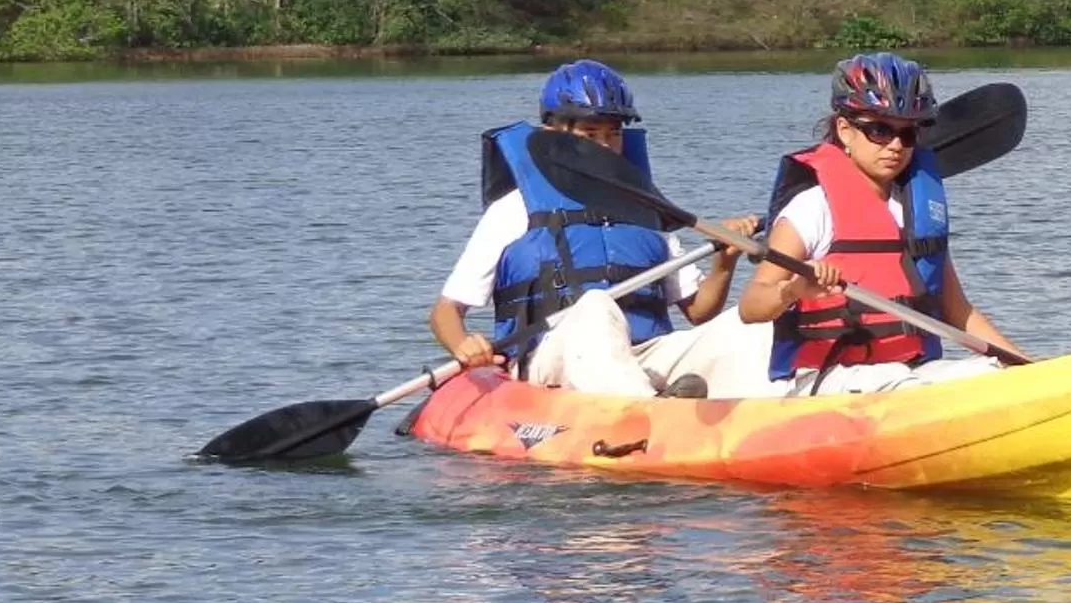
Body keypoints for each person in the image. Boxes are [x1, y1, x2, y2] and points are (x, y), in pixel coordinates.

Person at [430, 59, 760, 397]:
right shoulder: (514, 208)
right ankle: (647, 409)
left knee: (744, 327)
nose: (604, 146)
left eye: (613, 134)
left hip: (643, 356)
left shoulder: (646, 208)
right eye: (590, 134)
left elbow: (699, 312)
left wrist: (724, 263)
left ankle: (770, 406)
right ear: (552, 135)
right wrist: (463, 344)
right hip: (552, 359)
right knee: (595, 307)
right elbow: (446, 312)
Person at [736, 53, 1025, 395]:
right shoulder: (812, 208)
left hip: (910, 372)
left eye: (908, 134)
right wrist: (793, 290)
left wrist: (1026, 368)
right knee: (904, 384)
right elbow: (751, 306)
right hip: (828, 380)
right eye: (879, 130)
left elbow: (958, 312)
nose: (895, 145)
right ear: (845, 130)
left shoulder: (917, 211)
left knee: (993, 373)